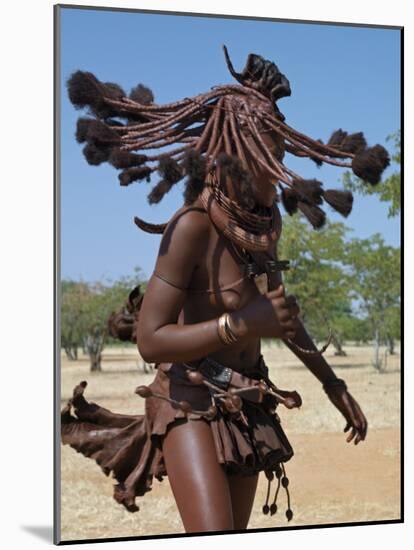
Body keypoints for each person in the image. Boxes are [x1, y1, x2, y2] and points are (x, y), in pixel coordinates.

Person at [61, 46, 388, 533]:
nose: (278, 172)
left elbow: (282, 316)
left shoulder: (263, 228)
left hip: (247, 401)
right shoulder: (192, 226)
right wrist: (237, 325)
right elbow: (152, 339)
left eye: (280, 155)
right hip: (186, 402)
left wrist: (332, 384)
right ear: (235, 154)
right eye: (268, 156)